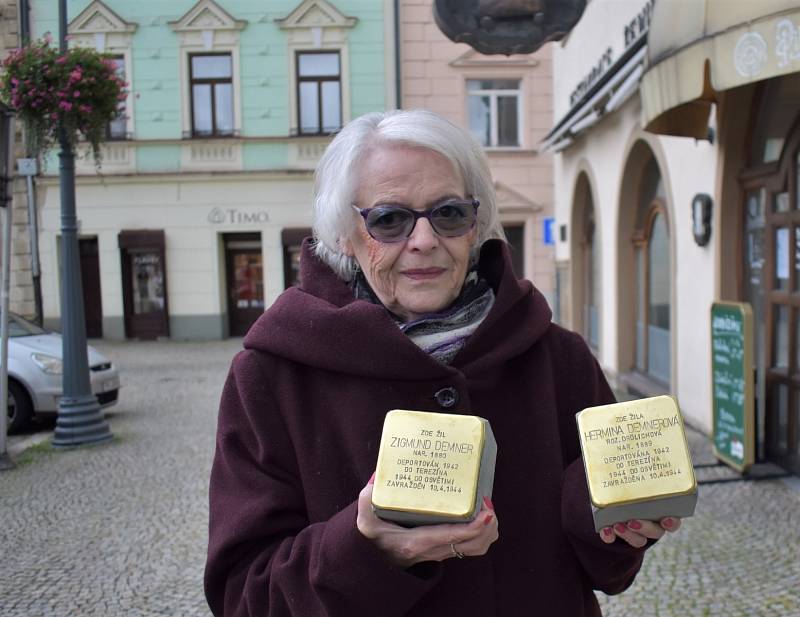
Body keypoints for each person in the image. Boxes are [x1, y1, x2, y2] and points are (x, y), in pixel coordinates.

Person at [204, 109, 681, 617]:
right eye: (389, 220)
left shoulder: (556, 356)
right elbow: (244, 597)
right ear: (344, 234)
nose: (425, 240)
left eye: (449, 213)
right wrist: (366, 550)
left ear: (475, 225)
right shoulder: (272, 377)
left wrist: (616, 523)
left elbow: (604, 571)